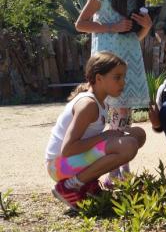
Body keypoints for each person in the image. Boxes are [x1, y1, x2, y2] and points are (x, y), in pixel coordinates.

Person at [75, 0, 152, 181]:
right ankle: (111, 171)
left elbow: (133, 36)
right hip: (108, 61)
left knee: (123, 116)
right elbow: (81, 24)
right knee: (110, 115)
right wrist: (112, 26)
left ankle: (121, 167)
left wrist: (146, 28)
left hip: (129, 59)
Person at [45, 52, 146, 209]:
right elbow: (68, 149)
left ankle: (87, 183)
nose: (123, 82)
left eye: (123, 77)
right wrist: (105, 136)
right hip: (58, 166)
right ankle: (70, 186)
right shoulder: (88, 105)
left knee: (138, 134)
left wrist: (109, 136)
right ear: (99, 78)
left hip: (71, 161)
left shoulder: (101, 102)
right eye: (117, 77)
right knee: (128, 145)